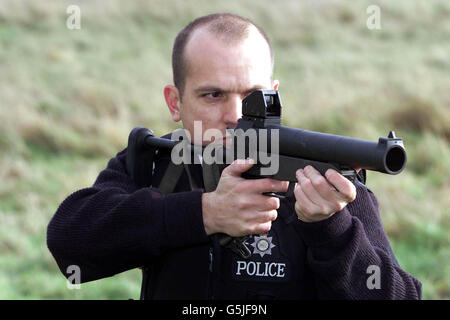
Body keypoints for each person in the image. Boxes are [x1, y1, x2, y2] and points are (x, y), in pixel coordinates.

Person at [47, 13, 422, 299]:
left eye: (252, 96)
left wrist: (331, 230)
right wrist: (203, 213)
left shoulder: (322, 178)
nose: (234, 115)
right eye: (213, 95)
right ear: (175, 102)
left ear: (274, 95)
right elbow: (70, 243)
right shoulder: (160, 162)